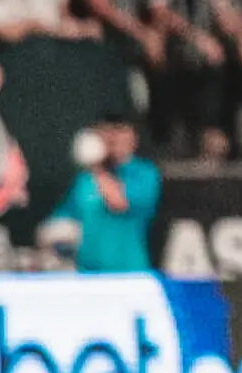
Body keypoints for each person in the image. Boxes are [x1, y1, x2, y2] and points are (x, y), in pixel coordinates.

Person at [50, 117, 161, 273]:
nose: (113, 137)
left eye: (120, 130)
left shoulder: (145, 173)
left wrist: (95, 166)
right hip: (88, 272)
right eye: (107, 132)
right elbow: (64, 218)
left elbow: (119, 202)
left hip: (129, 273)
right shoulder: (85, 180)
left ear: (133, 137)